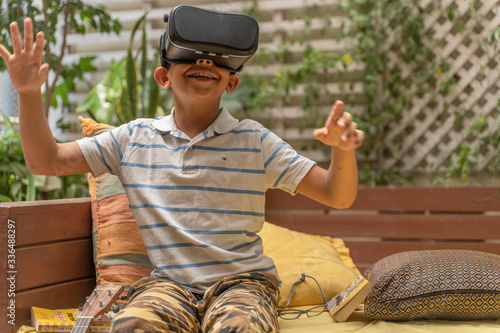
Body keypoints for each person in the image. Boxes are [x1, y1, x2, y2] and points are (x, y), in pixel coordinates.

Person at [0, 12, 364, 333]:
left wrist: (342, 149)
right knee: (131, 326)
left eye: (219, 60)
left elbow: (337, 194)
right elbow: (46, 161)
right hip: (167, 286)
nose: (204, 59)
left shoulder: (256, 141)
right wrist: (28, 93)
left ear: (230, 83)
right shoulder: (132, 139)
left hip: (241, 285)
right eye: (189, 55)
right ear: (163, 76)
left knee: (240, 328)